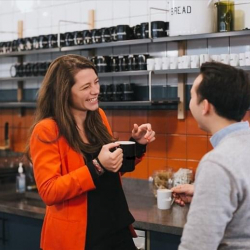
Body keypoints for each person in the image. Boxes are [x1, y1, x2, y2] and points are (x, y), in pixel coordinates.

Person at [26, 54, 155, 250]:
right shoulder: (47, 130)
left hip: (116, 227)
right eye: (86, 87)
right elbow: (49, 191)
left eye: (96, 82)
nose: (95, 91)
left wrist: (135, 145)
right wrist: (97, 166)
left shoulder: (98, 117)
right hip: (80, 238)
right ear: (64, 92)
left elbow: (111, 170)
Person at [172, 62, 250, 250]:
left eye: (191, 96)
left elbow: (196, 246)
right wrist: (203, 191)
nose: (189, 102)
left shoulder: (217, 163)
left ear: (205, 106)